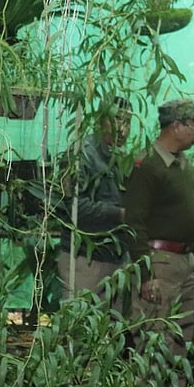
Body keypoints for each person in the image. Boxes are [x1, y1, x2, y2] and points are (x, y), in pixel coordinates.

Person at [124, 97, 194, 387]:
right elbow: (134, 222)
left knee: (180, 340)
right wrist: (145, 273)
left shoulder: (182, 164)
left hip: (185, 261)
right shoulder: (148, 166)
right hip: (160, 263)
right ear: (176, 126)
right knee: (153, 340)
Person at [56, 98, 132, 308]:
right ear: (100, 121)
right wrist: (121, 215)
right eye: (117, 120)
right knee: (81, 328)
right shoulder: (81, 155)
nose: (122, 129)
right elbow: (71, 207)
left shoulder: (122, 160)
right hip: (85, 259)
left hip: (115, 259)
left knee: (110, 333)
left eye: (128, 123)